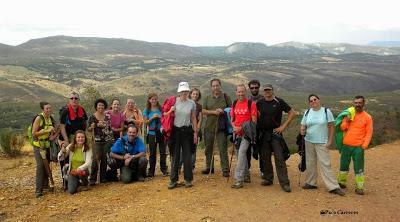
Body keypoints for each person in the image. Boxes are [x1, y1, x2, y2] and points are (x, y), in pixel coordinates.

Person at [300, 94, 345, 196]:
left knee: (325, 164)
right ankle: (311, 183)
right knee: (310, 163)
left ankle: (333, 187)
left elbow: (331, 126)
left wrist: (329, 141)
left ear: (319, 100)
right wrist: (302, 129)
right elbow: (303, 124)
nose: (313, 102)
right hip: (309, 141)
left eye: (315, 99)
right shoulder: (307, 112)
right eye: (311, 101)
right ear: (309, 103)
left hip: (322, 142)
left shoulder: (326, 111)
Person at [257, 84, 295, 192]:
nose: (267, 92)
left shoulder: (279, 101)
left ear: (272, 91)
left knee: (280, 158)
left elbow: (292, 113)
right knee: (265, 157)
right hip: (263, 134)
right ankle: (268, 179)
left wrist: (283, 126)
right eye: (265, 90)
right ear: (263, 91)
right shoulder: (259, 102)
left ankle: (285, 183)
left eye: (269, 90)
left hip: (275, 134)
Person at [335, 95, 373, 195]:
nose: (358, 105)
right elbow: (342, 128)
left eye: (360, 103)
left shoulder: (367, 117)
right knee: (343, 165)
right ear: (353, 103)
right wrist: (347, 120)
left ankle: (359, 187)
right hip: (346, 145)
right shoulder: (349, 114)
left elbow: (369, 132)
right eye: (356, 103)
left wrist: (364, 145)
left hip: (359, 147)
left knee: (359, 167)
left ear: (363, 103)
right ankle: (342, 182)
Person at [167, 82, 198, 189]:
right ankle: (173, 180)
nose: (184, 93)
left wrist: (195, 132)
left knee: (187, 156)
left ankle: (188, 179)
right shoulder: (173, 102)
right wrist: (170, 110)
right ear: (179, 92)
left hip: (187, 131)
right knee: (175, 156)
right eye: (182, 91)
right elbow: (165, 115)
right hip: (175, 131)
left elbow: (193, 118)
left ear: (188, 91)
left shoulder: (192, 103)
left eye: (186, 91)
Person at [202, 78, 232, 177]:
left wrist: (223, 111)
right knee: (208, 148)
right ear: (211, 87)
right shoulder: (207, 98)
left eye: (217, 85)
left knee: (222, 148)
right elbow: (202, 110)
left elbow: (231, 110)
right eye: (213, 86)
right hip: (209, 127)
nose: (215, 87)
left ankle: (225, 169)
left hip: (221, 127)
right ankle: (209, 168)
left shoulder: (226, 97)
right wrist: (213, 112)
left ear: (220, 86)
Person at [230, 84, 257, 189]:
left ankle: (238, 180)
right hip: (236, 134)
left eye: (242, 91)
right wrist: (234, 127)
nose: (241, 93)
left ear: (245, 92)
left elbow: (254, 121)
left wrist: (241, 128)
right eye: (239, 92)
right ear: (236, 92)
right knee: (240, 155)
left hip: (247, 134)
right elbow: (232, 118)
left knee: (241, 153)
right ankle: (246, 175)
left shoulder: (251, 104)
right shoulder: (235, 103)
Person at [32, 102, 57, 198]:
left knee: (47, 164)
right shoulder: (39, 118)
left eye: (50, 108)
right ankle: (38, 190)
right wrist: (47, 131)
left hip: (46, 145)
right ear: (43, 109)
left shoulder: (50, 118)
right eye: (47, 108)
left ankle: (46, 186)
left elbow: (55, 130)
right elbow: (34, 133)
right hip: (38, 145)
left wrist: (53, 135)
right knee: (40, 166)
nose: (49, 110)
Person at [88, 98, 114, 185]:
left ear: (105, 107)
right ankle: (92, 179)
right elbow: (88, 129)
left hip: (106, 141)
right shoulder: (92, 117)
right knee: (95, 160)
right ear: (96, 106)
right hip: (96, 141)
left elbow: (110, 129)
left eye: (102, 105)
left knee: (104, 159)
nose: (101, 107)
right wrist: (92, 127)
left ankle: (102, 178)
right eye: (99, 105)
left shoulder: (107, 117)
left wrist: (105, 126)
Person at [58, 130, 92, 194]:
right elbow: (61, 158)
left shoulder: (88, 148)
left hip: (83, 170)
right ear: (75, 139)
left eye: (82, 137)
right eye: (78, 137)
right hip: (73, 171)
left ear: (85, 138)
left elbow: (88, 162)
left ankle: (85, 183)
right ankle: (79, 185)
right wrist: (62, 151)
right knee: (71, 191)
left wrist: (79, 169)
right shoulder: (71, 146)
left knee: (81, 172)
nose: (80, 139)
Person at [143, 93, 168, 177]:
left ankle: (164, 169)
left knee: (162, 152)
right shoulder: (147, 110)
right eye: (152, 99)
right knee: (152, 153)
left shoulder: (161, 109)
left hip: (161, 132)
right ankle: (151, 171)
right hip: (151, 133)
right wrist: (153, 118)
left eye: (155, 99)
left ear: (157, 100)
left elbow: (165, 119)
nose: (154, 101)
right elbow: (146, 122)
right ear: (149, 100)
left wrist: (160, 117)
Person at [179, 88, 203, 172]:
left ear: (198, 96)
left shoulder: (199, 106)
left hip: (195, 130)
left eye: (197, 94)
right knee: (182, 149)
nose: (195, 95)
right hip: (185, 129)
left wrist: (197, 129)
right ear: (190, 94)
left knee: (193, 149)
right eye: (194, 94)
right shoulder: (185, 104)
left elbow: (200, 118)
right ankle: (179, 166)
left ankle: (191, 167)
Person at [247, 79, 264, 177]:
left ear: (259, 87)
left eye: (256, 87)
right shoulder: (247, 99)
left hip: (261, 128)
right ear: (249, 88)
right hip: (249, 128)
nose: (254, 89)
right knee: (248, 149)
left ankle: (263, 170)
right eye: (252, 88)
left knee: (262, 149)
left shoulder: (263, 99)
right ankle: (248, 168)